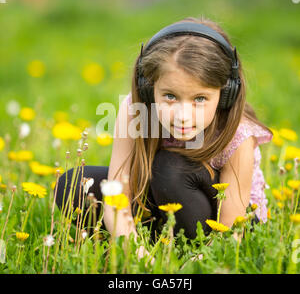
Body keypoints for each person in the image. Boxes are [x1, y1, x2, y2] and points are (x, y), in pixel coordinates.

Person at [55, 16, 273, 260]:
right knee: (73, 184)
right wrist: (132, 251)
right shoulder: (136, 111)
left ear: (225, 95)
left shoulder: (238, 133)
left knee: (170, 167)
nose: (182, 115)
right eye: (170, 96)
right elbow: (117, 195)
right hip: (162, 201)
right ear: (149, 87)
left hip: (228, 223)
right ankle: (153, 240)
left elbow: (233, 225)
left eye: (200, 99)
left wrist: (204, 261)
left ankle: (188, 251)